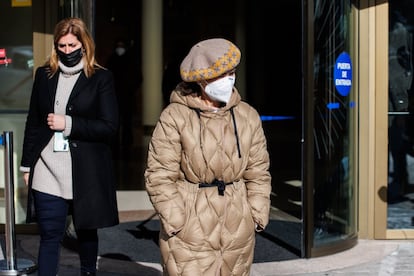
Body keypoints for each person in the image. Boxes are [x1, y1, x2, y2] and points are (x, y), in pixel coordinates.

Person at [144, 38, 272, 276]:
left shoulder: (247, 115)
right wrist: (178, 221)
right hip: (189, 233)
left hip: (237, 228)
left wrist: (255, 212)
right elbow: (159, 174)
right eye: (221, 75)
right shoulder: (175, 116)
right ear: (201, 80)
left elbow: (258, 171)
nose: (229, 80)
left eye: (232, 73)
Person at [20, 17, 119, 276]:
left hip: (85, 170)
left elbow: (109, 127)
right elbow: (33, 121)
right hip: (48, 167)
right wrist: (27, 163)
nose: (67, 51)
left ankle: (88, 272)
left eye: (72, 45)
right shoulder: (44, 75)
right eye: (61, 46)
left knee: (86, 233)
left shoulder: (101, 78)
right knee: (50, 234)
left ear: (84, 45)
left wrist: (69, 123)